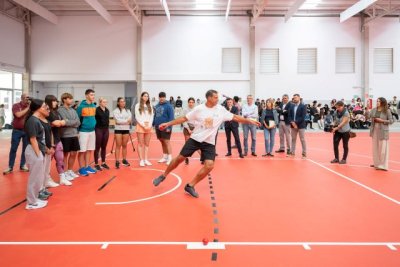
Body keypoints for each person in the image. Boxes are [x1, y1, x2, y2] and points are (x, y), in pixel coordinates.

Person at [152, 90, 261, 198]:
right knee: (179, 159)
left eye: (217, 97)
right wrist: (168, 124)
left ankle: (190, 186)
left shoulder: (221, 110)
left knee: (209, 165)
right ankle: (163, 175)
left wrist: (250, 120)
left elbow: (236, 117)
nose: (217, 99)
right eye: (215, 97)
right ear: (208, 98)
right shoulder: (199, 109)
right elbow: (184, 118)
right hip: (195, 139)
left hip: (209, 142)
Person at [24, 99, 50, 210]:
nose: (46, 108)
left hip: (38, 151)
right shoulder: (33, 121)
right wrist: (39, 154)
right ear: (38, 108)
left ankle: (34, 199)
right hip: (34, 151)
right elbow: (33, 139)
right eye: (44, 106)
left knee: (38, 177)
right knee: (34, 178)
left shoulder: (36, 120)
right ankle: (31, 203)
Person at [45, 95, 72, 187]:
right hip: (49, 140)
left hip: (57, 138)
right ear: (48, 102)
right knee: (47, 162)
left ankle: (62, 178)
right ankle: (46, 179)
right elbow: (56, 123)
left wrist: (61, 122)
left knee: (60, 159)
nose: (56, 102)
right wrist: (60, 122)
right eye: (53, 101)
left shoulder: (56, 112)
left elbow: (63, 122)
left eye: (56, 101)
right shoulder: (46, 113)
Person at [3, 93, 30, 175]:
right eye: (26, 97)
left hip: (27, 131)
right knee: (13, 148)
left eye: (28, 97)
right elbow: (18, 115)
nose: (28, 99)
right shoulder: (16, 106)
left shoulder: (30, 107)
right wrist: (28, 108)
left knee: (25, 150)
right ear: (22, 98)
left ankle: (22, 165)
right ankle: (10, 166)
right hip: (17, 131)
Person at [58, 93, 81, 180]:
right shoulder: (60, 110)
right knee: (65, 154)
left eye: (71, 99)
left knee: (73, 153)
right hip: (65, 135)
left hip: (74, 134)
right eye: (69, 99)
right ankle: (63, 173)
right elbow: (64, 122)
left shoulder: (73, 110)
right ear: (64, 99)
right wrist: (71, 122)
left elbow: (78, 122)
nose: (71, 100)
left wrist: (68, 122)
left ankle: (69, 171)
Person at [76, 89, 97, 176]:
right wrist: (77, 132)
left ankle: (87, 166)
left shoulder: (93, 106)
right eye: (91, 95)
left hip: (92, 131)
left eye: (93, 95)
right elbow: (77, 120)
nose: (93, 96)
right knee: (82, 150)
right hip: (83, 131)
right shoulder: (81, 107)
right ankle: (81, 168)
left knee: (89, 150)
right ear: (86, 95)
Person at [370, 97, 394, 171]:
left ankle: (383, 165)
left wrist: (382, 120)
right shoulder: (374, 109)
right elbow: (369, 116)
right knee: (375, 147)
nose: (377, 102)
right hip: (374, 130)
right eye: (377, 101)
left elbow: (391, 121)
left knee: (383, 148)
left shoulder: (387, 110)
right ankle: (377, 163)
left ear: (383, 102)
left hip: (383, 130)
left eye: (379, 101)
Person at [153, 92, 174, 165]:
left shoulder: (169, 106)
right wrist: (153, 124)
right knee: (162, 141)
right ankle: (165, 157)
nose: (161, 98)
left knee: (167, 142)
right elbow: (155, 116)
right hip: (157, 127)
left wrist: (169, 127)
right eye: (160, 97)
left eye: (163, 97)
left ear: (165, 97)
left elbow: (171, 117)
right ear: (159, 98)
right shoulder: (156, 106)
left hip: (166, 127)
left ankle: (170, 158)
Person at [135, 92, 154, 167]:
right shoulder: (138, 105)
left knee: (147, 144)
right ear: (142, 97)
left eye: (147, 96)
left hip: (148, 126)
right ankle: (141, 160)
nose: (146, 97)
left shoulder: (150, 106)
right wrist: (143, 125)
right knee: (140, 143)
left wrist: (149, 125)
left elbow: (152, 116)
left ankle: (146, 159)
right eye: (145, 96)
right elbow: (137, 116)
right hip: (141, 126)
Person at [113, 97, 132, 168]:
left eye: (124, 101)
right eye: (121, 101)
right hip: (118, 130)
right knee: (118, 145)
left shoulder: (128, 111)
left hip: (126, 130)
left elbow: (129, 120)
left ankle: (124, 160)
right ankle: (117, 161)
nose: (123, 103)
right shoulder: (115, 111)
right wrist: (125, 121)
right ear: (118, 103)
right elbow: (117, 121)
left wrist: (123, 121)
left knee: (124, 145)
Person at [288, 93, 307, 158]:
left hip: (301, 125)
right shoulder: (291, 106)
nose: (294, 99)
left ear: (299, 98)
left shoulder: (303, 106)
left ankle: (304, 153)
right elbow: (289, 115)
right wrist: (292, 122)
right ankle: (292, 152)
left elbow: (303, 116)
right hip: (293, 125)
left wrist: (295, 122)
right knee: (293, 139)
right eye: (294, 98)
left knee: (302, 139)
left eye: (296, 98)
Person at [94, 97, 110, 171]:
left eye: (106, 102)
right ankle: (96, 164)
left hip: (106, 130)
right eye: (103, 102)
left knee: (104, 146)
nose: (105, 103)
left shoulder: (107, 110)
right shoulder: (96, 110)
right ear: (100, 102)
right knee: (97, 147)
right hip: (98, 129)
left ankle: (103, 163)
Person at [182, 97, 197, 164]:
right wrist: (188, 129)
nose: (191, 103)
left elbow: (198, 120)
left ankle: (203, 158)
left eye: (192, 102)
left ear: (194, 103)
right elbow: (184, 120)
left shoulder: (196, 110)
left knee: (197, 143)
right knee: (187, 143)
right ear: (188, 103)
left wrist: (195, 129)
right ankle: (186, 158)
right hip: (187, 127)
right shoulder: (185, 110)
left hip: (195, 128)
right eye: (190, 102)